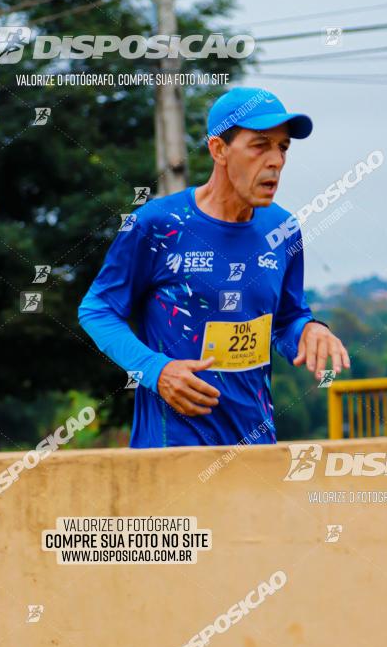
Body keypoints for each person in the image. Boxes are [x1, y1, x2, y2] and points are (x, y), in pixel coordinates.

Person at [78, 87, 349, 448]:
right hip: (170, 451)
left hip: (255, 452)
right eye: (260, 145)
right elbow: (97, 310)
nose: (276, 161)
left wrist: (309, 330)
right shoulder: (157, 224)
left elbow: (286, 319)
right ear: (219, 149)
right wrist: (156, 370)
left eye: (282, 147)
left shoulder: (283, 229)